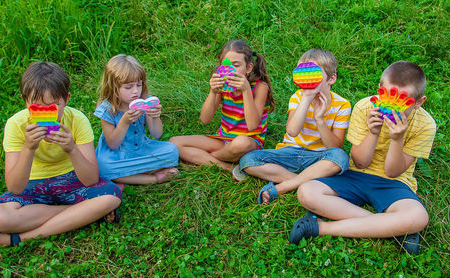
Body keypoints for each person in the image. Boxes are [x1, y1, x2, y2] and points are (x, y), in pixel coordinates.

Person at [0, 61, 122, 255]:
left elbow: (91, 179)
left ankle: (18, 239)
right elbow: (15, 187)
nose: (44, 113)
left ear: (66, 99)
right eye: (36, 107)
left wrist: (71, 149)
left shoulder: (77, 120)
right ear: (25, 101)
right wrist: (28, 148)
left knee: (111, 196)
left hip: (72, 181)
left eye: (52, 106)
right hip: (33, 185)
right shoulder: (15, 125)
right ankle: (82, 214)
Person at [289, 61, 436, 255]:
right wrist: (373, 133)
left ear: (419, 102)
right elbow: (360, 162)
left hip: (394, 182)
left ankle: (321, 228)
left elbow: (392, 171)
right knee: (307, 192)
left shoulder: (426, 125)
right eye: (388, 97)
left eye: (403, 102)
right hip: (355, 175)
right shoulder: (365, 107)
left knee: (417, 217)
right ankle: (394, 230)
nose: (393, 108)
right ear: (379, 91)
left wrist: (397, 138)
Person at [237, 49, 351, 204]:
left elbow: (335, 147)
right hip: (289, 152)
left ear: (331, 79)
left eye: (314, 74)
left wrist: (319, 119)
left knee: (340, 158)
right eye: (302, 74)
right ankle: (307, 181)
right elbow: (292, 131)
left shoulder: (342, 105)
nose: (307, 79)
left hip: (319, 157)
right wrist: (307, 98)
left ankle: (283, 186)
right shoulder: (298, 97)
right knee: (248, 160)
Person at [169, 40, 274, 172]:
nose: (230, 70)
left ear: (248, 68)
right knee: (174, 142)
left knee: (242, 142)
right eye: (226, 65)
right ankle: (228, 167)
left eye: (236, 65)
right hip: (223, 138)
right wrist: (213, 92)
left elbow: (252, 125)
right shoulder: (223, 87)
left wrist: (246, 90)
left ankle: (206, 158)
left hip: (249, 142)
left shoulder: (260, 87)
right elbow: (204, 119)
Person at [94, 54, 179, 185]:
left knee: (172, 151)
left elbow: (157, 134)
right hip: (116, 155)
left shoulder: (144, 101)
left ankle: (125, 175)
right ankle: (152, 178)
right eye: (128, 87)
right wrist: (124, 122)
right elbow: (113, 144)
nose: (135, 91)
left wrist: (154, 116)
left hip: (141, 148)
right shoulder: (107, 109)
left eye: (139, 85)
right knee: (104, 167)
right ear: (113, 87)